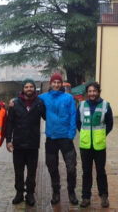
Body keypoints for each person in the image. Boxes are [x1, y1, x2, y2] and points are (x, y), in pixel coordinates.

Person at [39, 72, 78, 205]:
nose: (56, 85)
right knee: (52, 167)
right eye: (54, 82)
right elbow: (29, 99)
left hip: (65, 138)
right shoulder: (44, 97)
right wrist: (13, 101)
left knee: (71, 166)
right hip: (51, 138)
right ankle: (56, 192)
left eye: (58, 82)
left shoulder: (68, 98)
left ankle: (71, 191)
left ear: (61, 84)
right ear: (51, 84)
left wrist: (71, 134)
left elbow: (73, 115)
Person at [6, 78, 46, 206]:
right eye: (26, 87)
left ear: (34, 89)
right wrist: (8, 140)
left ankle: (30, 194)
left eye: (31, 87)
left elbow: (47, 116)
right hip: (18, 143)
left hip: (33, 144)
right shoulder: (15, 103)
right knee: (18, 171)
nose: (29, 89)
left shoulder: (40, 103)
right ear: (23, 89)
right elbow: (10, 123)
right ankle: (19, 193)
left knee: (32, 172)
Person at [76, 82, 113, 208]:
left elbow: (110, 124)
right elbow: (77, 123)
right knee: (86, 172)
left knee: (101, 171)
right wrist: (85, 134)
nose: (92, 93)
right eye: (90, 91)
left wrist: (101, 135)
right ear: (87, 93)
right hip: (85, 145)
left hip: (99, 145)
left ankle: (104, 196)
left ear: (98, 92)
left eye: (94, 91)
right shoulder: (81, 105)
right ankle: (86, 197)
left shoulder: (105, 105)